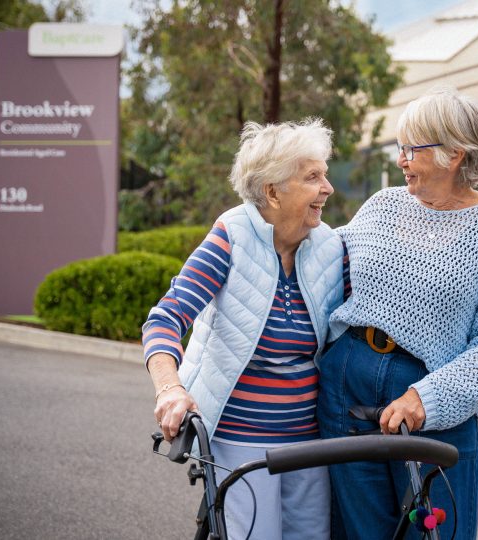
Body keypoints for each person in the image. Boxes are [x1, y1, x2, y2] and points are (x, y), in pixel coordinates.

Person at [317, 87, 478, 539]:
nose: (401, 160)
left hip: (431, 399)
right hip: (348, 383)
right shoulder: (382, 205)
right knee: (356, 532)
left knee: (434, 534)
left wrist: (426, 399)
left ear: (454, 154)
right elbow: (321, 261)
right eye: (400, 148)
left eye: (412, 149)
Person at [143, 118, 347, 540]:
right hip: (240, 438)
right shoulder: (232, 236)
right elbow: (167, 317)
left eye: (325, 175)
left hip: (310, 440)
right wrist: (170, 389)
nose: (328, 188)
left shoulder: (329, 247)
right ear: (272, 191)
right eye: (313, 177)